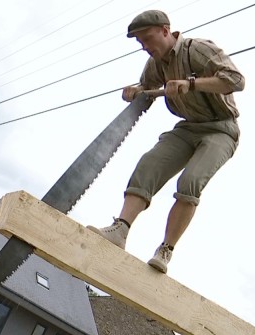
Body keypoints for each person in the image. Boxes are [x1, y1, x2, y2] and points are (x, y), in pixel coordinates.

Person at [87, 10, 245, 274]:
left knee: (190, 182)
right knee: (149, 164)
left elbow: (237, 81)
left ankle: (165, 250)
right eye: (140, 44)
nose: (145, 47)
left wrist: (191, 84)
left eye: (148, 39)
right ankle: (120, 230)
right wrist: (135, 91)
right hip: (188, 128)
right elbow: (146, 88)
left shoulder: (198, 49)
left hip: (221, 129)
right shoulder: (156, 63)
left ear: (164, 30)